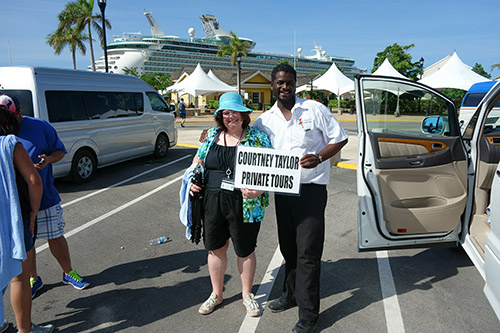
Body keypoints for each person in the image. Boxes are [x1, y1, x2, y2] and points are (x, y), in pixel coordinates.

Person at [253, 63, 348, 333]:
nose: (285, 87)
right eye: (280, 83)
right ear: (272, 86)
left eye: (289, 82)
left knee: (308, 252)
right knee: (289, 248)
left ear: (296, 84)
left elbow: (339, 138)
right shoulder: (265, 120)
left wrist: (319, 156)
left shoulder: (314, 109)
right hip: (282, 191)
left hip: (311, 190)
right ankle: (291, 294)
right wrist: (213, 134)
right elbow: (247, 144)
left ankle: (309, 315)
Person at [189, 92, 272, 317]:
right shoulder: (212, 136)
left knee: (245, 250)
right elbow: (199, 160)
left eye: (235, 112)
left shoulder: (257, 137)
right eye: (226, 112)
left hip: (245, 202)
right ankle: (216, 294)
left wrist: (260, 189)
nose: (230, 116)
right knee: (216, 249)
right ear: (220, 116)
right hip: (213, 201)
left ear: (244, 115)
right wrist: (192, 180)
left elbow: (272, 170)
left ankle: (247, 295)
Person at [0, 94, 90, 299]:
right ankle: (33, 278)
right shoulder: (3, 132)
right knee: (26, 244)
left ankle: (68, 272)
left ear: (20, 111)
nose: (9, 122)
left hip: (45, 196)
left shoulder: (40, 126)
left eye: (12, 117)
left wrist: (48, 160)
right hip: (16, 202)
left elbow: (60, 151)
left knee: (55, 235)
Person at [0, 106, 54, 333]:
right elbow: (34, 180)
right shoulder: (10, 144)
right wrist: (33, 212)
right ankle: (25, 330)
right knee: (18, 277)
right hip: (10, 217)